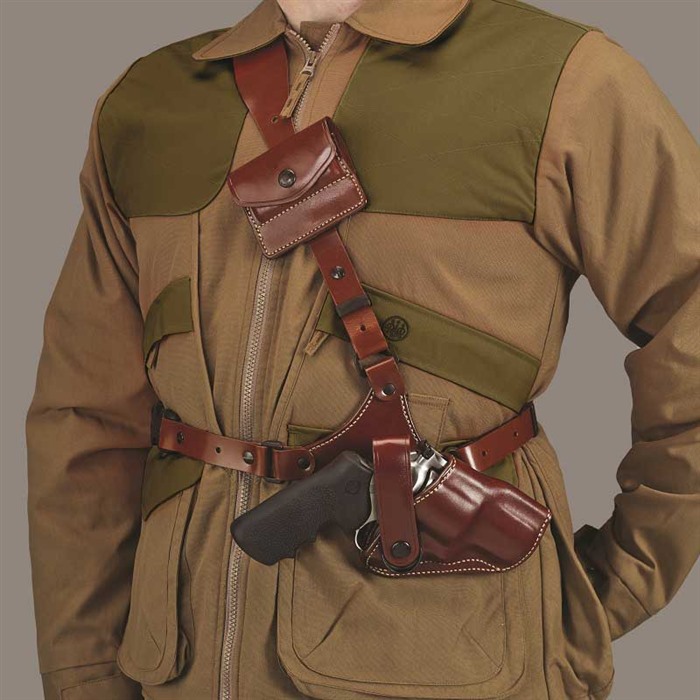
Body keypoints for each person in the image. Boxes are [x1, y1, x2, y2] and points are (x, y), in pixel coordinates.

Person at [25, 0, 699, 698]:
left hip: (452, 665)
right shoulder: (148, 100)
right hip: (175, 667)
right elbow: (84, 417)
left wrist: (608, 592)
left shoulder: (561, 78)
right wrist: (83, 670)